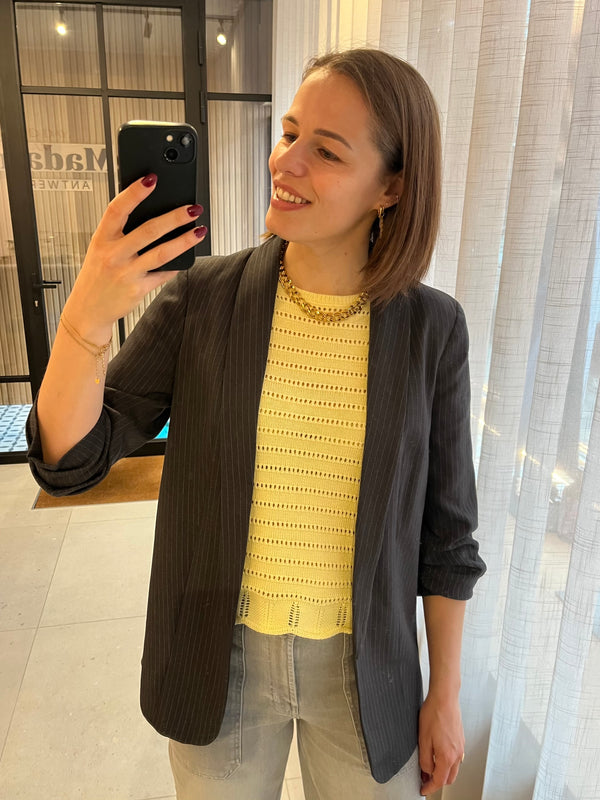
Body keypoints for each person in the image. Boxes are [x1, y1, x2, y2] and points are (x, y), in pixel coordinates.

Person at [27, 48, 486, 799]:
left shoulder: (432, 329)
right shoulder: (205, 298)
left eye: (327, 151)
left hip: (368, 672)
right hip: (219, 663)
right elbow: (71, 459)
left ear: (392, 188)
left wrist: (446, 694)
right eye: (290, 133)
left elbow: (449, 536)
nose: (286, 162)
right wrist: (87, 315)